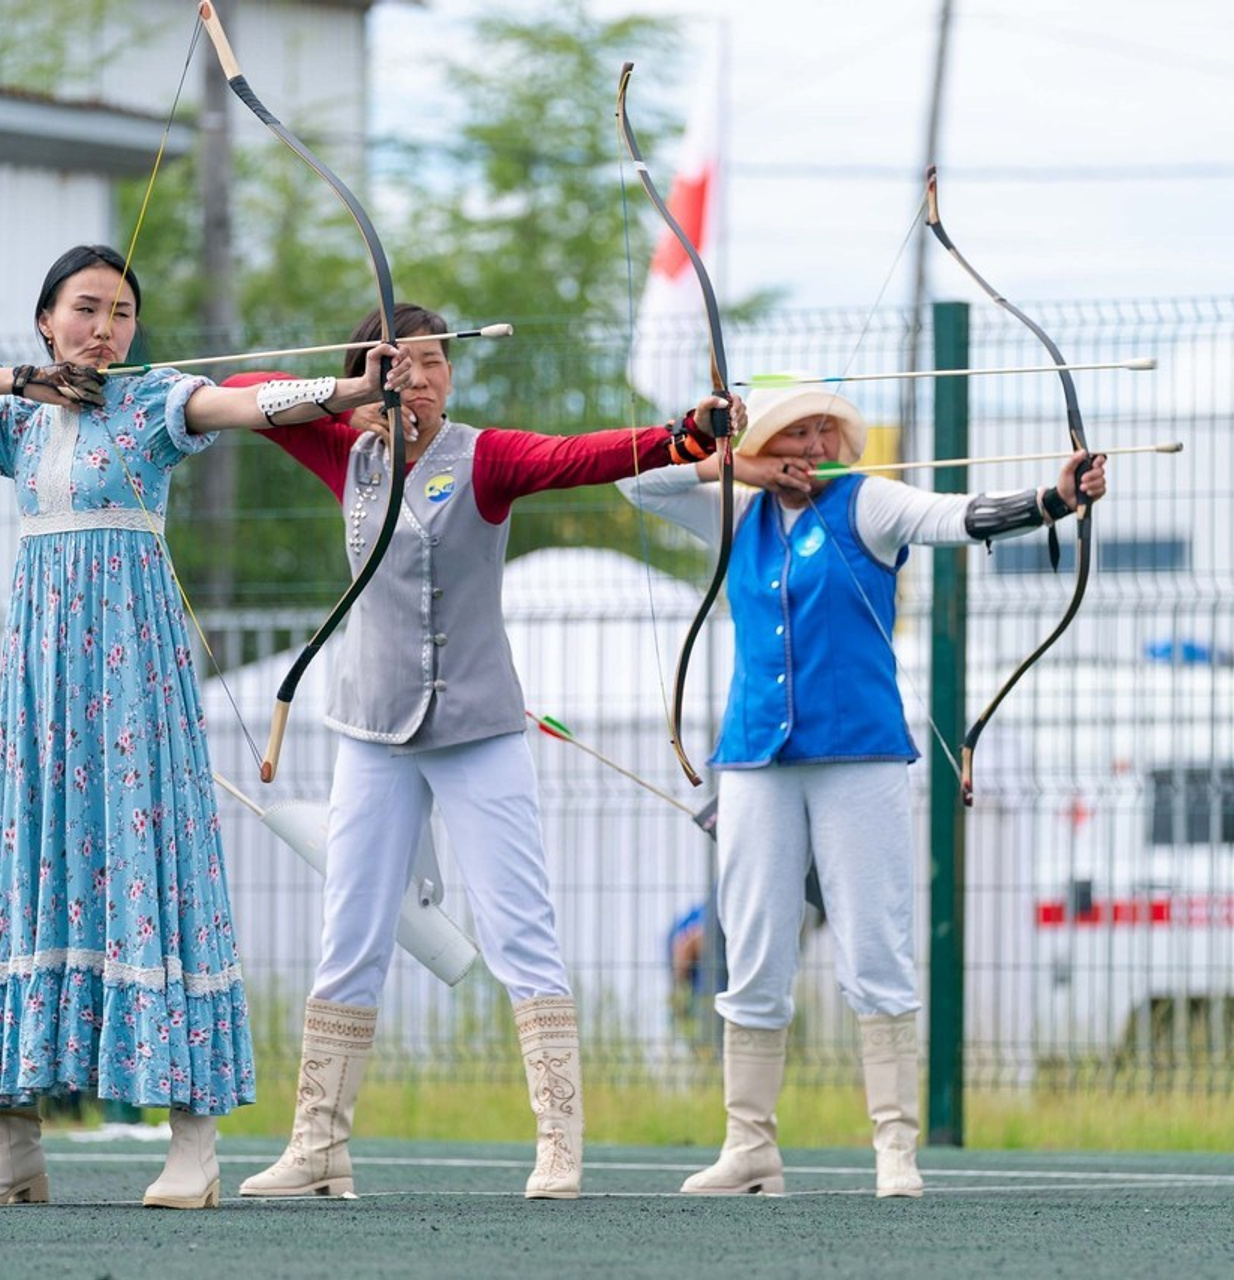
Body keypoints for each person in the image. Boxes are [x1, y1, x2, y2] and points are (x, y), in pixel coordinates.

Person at [230, 302, 744, 1201]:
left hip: (477, 728)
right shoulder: (340, 450)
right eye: (401, 364)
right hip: (373, 728)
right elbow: (240, 392)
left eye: (433, 362)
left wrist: (681, 436)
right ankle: (319, 1146)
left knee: (521, 932)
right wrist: (347, 394)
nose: (420, 378)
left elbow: (579, 456)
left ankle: (559, 1145)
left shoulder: (485, 456)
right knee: (349, 934)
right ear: (370, 373)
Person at [618, 377, 1108, 1198]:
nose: (811, 449)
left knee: (874, 947)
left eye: (821, 433)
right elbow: (638, 481)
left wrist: (1053, 500)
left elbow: (954, 517)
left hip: (859, 756)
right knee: (753, 950)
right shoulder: (736, 510)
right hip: (754, 760)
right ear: (762, 447)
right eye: (792, 435)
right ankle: (751, 1149)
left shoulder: (868, 504)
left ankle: (894, 1149)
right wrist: (720, 463)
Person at [0, 245, 407, 1209]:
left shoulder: (149, 403)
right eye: (88, 309)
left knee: (157, 871)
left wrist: (352, 388)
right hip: (39, 687)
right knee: (32, 873)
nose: (108, 328)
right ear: (47, 320)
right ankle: (17, 1142)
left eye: (123, 313)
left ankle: (194, 1145)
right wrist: (22, 379)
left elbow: (242, 403)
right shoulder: (17, 422)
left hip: (132, 678)